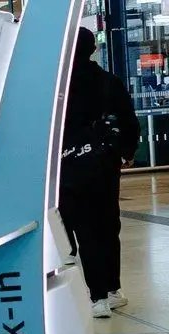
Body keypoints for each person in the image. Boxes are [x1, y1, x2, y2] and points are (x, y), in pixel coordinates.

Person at [59, 28, 139, 318]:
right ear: (93, 49)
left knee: (84, 230)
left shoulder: (59, 87)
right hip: (105, 165)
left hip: (69, 167)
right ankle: (114, 289)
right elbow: (130, 123)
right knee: (108, 225)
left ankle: (98, 297)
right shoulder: (110, 82)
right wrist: (125, 154)